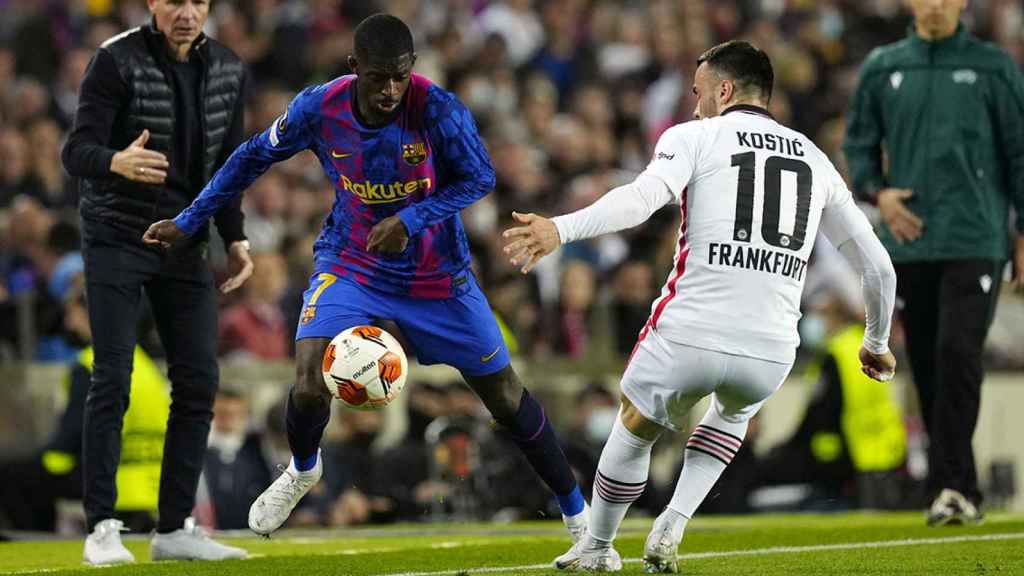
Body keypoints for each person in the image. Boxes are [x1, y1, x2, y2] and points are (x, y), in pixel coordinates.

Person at [143, 13, 588, 543]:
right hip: (351, 263)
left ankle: (578, 516)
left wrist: (411, 218)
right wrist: (191, 219)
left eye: (401, 75)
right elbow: (252, 156)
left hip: (436, 277)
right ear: (355, 68)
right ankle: (304, 469)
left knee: (507, 399)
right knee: (309, 382)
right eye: (378, 77)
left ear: (413, 68)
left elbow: (481, 177)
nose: (391, 89)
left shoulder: (439, 110)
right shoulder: (319, 107)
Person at [503, 40, 898, 572]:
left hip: (691, 330)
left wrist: (561, 228)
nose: (693, 104)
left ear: (725, 90)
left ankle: (596, 547)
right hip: (773, 350)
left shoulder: (696, 136)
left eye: (699, 92)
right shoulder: (815, 158)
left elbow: (641, 201)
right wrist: (875, 343)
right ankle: (675, 521)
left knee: (635, 424)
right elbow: (879, 268)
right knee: (732, 412)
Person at [61, 0, 251, 565]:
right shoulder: (115, 60)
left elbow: (230, 166)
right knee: (112, 376)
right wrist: (115, 161)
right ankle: (101, 528)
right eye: (173, 0)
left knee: (198, 382)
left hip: (184, 240)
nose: (186, 12)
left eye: (197, 0)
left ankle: (174, 528)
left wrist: (234, 236)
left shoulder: (229, 69)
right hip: (118, 236)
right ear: (152, 4)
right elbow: (76, 151)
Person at [843, 0, 1024, 526]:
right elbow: (858, 143)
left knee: (958, 352)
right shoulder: (883, 66)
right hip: (909, 241)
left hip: (976, 237)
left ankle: (951, 484)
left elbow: (1019, 153)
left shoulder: (994, 66)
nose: (938, 5)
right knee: (925, 364)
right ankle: (952, 485)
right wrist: (880, 194)